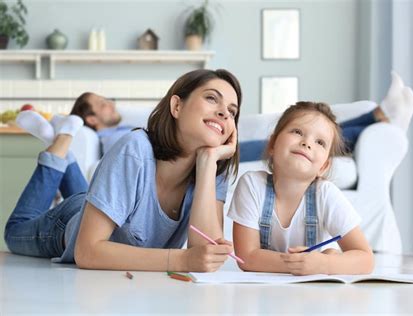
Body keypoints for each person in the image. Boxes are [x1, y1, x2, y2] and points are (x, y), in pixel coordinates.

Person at [5, 68, 242, 272]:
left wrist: (208, 163)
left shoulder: (213, 167)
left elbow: (205, 255)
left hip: (105, 206)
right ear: (177, 106)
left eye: (232, 111)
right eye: (212, 98)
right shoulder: (135, 149)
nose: (224, 113)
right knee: (15, 230)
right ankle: (59, 144)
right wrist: (180, 260)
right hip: (68, 225)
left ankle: (59, 145)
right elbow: (87, 251)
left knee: (90, 198)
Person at [228, 101, 375, 275]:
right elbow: (246, 257)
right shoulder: (252, 184)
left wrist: (326, 264)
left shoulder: (325, 194)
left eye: (320, 142)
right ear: (272, 144)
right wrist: (299, 265)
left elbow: (366, 259)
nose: (307, 143)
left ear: (323, 166)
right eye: (297, 132)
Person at [239, 71, 413, 162]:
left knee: (323, 130)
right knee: (325, 138)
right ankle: (386, 118)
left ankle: (381, 114)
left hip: (236, 149)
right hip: (235, 154)